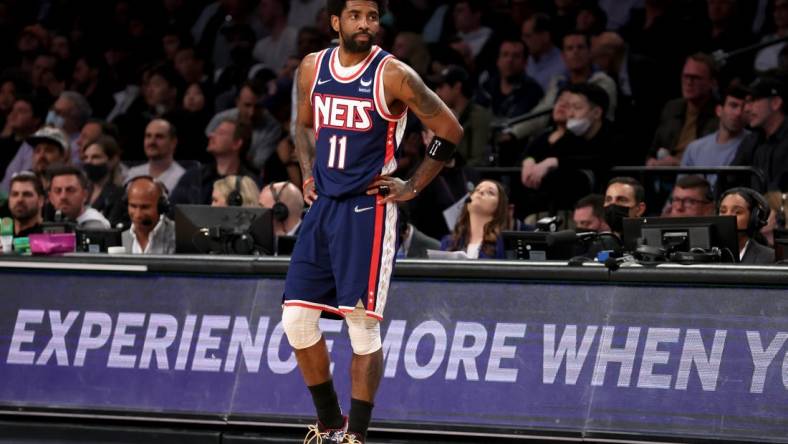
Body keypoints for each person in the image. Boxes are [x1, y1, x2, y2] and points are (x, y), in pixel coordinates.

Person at [283, 1, 463, 442]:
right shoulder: (312, 67)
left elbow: (450, 130)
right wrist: (308, 172)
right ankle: (328, 426)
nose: (366, 24)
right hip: (324, 205)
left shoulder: (394, 74)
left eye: (372, 16)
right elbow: (303, 126)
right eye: (356, 16)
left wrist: (413, 185)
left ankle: (356, 436)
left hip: (368, 209)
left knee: (361, 326)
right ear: (335, 22)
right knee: (297, 323)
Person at [647, 53, 719, 167]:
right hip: (662, 175)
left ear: (712, 82)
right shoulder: (671, 108)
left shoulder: (719, 114)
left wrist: (679, 164)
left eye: (695, 78)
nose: (689, 82)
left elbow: (714, 160)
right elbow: (653, 150)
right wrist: (651, 162)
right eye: (685, 76)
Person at [170, 117, 255, 205]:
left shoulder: (249, 183)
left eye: (221, 133)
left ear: (237, 143)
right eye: (214, 131)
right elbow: (173, 210)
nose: (211, 135)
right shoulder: (194, 177)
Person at [681, 85, 749, 188]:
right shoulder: (695, 148)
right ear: (719, 110)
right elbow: (680, 188)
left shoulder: (753, 145)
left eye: (744, 108)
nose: (738, 113)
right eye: (733, 105)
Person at [730, 76, 788, 192]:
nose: (746, 109)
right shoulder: (751, 141)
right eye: (746, 102)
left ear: (775, 103)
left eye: (753, 100)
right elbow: (729, 180)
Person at [433, 65, 491, 166]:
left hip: (468, 177)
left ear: (457, 87)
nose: (437, 92)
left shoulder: (478, 117)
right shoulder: (443, 117)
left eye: (441, 86)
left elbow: (478, 160)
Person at [439, 179, 507, 259]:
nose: (480, 191)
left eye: (490, 192)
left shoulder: (503, 243)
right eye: (477, 189)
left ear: (499, 207)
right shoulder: (448, 242)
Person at [125, 119, 185, 194]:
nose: (152, 141)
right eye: (148, 136)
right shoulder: (133, 174)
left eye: (159, 136)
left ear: (173, 142)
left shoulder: (182, 178)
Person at [719, 187, 774, 264]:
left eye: (737, 212)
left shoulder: (769, 257)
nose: (728, 216)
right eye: (723, 211)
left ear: (753, 218)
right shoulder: (704, 253)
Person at [121, 175, 175, 254]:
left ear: (161, 206)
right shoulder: (122, 237)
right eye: (133, 206)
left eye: (145, 207)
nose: (138, 215)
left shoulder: (177, 236)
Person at [47, 165, 110, 229]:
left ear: (85, 195)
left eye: (70, 190)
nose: (63, 196)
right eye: (58, 191)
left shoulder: (95, 225)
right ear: (50, 197)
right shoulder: (49, 220)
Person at [82, 135, 126, 228]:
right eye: (86, 157)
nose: (89, 162)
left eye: (95, 157)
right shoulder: (82, 191)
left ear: (112, 160)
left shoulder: (119, 195)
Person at [522, 13, 566, 92]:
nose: (523, 41)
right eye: (523, 36)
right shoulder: (524, 61)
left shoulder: (564, 65)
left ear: (545, 36)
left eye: (528, 36)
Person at [8, 171, 45, 236]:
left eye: (27, 194)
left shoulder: (48, 235)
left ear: (41, 200)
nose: (19, 199)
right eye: (15, 194)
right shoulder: (2, 233)